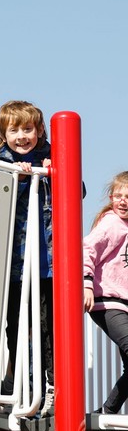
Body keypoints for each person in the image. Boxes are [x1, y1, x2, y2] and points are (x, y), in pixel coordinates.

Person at [0, 101, 54, 408]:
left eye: (27, 129)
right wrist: (14, 181)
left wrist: (51, 173)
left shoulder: (54, 158)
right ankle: (20, 384)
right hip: (15, 266)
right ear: (4, 135)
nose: (21, 136)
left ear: (39, 131)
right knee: (16, 326)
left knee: (49, 327)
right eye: (13, 130)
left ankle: (52, 386)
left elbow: (78, 190)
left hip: (49, 266)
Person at [85, 172, 128, 415]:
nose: (122, 201)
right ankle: (108, 411)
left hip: (123, 303)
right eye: (118, 196)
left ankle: (107, 411)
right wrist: (86, 283)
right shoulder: (111, 223)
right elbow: (87, 250)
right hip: (107, 301)